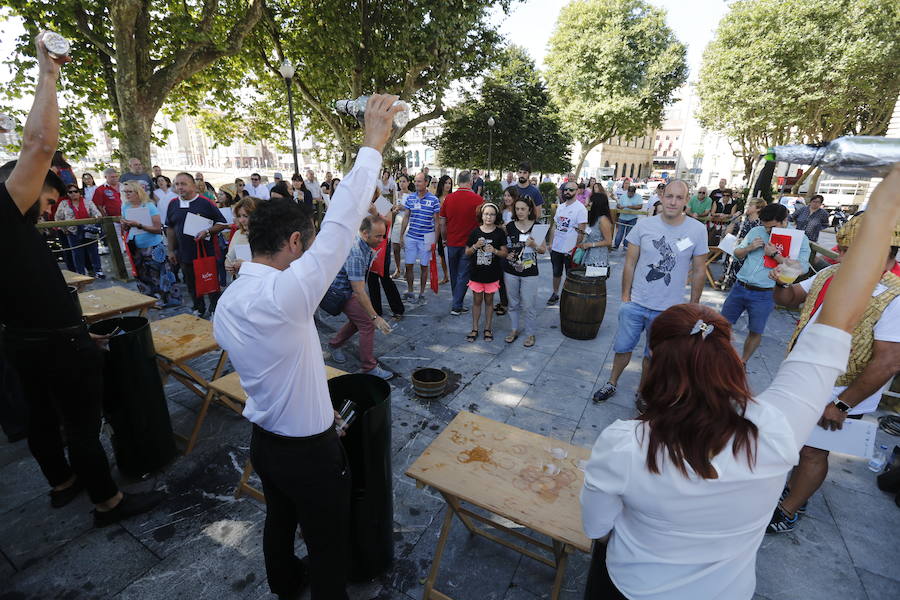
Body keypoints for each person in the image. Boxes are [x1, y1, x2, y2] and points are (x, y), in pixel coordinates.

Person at [579, 166, 900, 600]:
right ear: (731, 360)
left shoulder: (624, 444)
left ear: (657, 369)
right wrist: (884, 208)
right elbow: (839, 322)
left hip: (629, 586)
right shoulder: (777, 429)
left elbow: (598, 530)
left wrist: (885, 202)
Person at [212, 95, 401, 600]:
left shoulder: (228, 303)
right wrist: (371, 146)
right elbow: (341, 225)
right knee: (328, 544)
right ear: (295, 242)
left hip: (266, 443)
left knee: (278, 520)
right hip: (309, 453)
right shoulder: (285, 296)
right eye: (307, 244)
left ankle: (283, 584)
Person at [0, 31, 162, 527]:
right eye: (50, 193)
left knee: (43, 420)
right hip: (54, 346)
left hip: (25, 342)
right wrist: (49, 74)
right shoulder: (7, 212)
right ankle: (107, 501)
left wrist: (73, 329)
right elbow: (40, 142)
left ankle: (62, 482)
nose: (53, 204)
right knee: (82, 426)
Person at [767, 213, 900, 534]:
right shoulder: (831, 273)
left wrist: (842, 405)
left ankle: (789, 509)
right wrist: (781, 278)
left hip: (840, 393)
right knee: (795, 444)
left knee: (814, 451)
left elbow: (888, 362)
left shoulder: (895, 296)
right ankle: (793, 491)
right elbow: (789, 299)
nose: (847, 257)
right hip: (802, 379)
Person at [593, 180, 708, 404]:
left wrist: (693, 306)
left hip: (669, 309)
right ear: (662, 196)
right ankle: (611, 382)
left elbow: (700, 270)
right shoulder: (644, 226)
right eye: (669, 196)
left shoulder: (697, 230)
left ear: (686, 200)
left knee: (652, 355)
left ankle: (642, 392)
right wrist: (626, 297)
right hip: (636, 303)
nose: (673, 202)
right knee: (622, 348)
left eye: (679, 197)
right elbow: (630, 262)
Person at [721, 203, 810, 365]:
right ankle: (720, 358)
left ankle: (743, 362)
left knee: (755, 330)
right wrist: (749, 247)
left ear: (785, 221)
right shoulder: (757, 231)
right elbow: (737, 253)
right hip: (741, 286)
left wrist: (776, 255)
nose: (768, 231)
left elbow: (801, 268)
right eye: (766, 227)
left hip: (765, 292)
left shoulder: (799, 239)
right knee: (722, 324)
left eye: (772, 227)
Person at [326, 215, 395, 380]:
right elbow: (358, 290)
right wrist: (375, 317)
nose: (382, 239)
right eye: (378, 236)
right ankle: (369, 367)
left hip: (348, 289)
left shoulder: (364, 243)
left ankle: (334, 345)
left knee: (358, 321)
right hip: (341, 291)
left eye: (383, 235)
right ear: (365, 234)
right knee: (368, 324)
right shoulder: (356, 251)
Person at [165, 172, 228, 318]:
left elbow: (222, 223)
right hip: (184, 252)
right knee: (191, 283)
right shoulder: (173, 204)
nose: (180, 187)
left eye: (184, 184)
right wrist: (170, 250)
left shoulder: (205, 202)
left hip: (205, 251)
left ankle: (214, 310)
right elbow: (170, 227)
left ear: (193, 185)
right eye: (177, 184)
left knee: (210, 282)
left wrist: (207, 231)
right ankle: (198, 308)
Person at [120, 181, 180, 308]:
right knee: (142, 274)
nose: (126, 194)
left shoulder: (149, 206)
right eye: (125, 192)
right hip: (135, 245)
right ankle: (151, 300)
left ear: (138, 192)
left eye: (129, 191)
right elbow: (126, 228)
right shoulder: (125, 206)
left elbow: (158, 229)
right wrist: (125, 225)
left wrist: (140, 225)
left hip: (153, 245)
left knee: (160, 273)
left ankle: (168, 300)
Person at [503, 195, 547, 347]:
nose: (520, 212)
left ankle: (530, 333)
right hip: (511, 270)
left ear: (529, 210)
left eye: (523, 209)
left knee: (528, 304)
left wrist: (534, 244)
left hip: (530, 272)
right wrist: (506, 253)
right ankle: (514, 329)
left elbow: (543, 250)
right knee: (513, 303)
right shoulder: (509, 226)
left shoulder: (538, 226)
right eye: (517, 209)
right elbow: (505, 247)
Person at [440, 170, 483, 316]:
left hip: (451, 241)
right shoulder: (478, 200)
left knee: (454, 273)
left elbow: (442, 222)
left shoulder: (449, 199)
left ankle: (456, 301)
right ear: (471, 181)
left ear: (458, 181)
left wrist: (444, 238)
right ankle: (456, 305)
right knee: (463, 275)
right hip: (469, 244)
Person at [464, 203, 508, 342]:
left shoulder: (499, 233)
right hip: (476, 273)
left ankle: (488, 328)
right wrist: (476, 246)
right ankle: (475, 328)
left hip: (492, 274)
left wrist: (494, 251)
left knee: (489, 302)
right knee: (477, 301)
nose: (489, 217)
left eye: (492, 214)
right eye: (486, 214)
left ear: (496, 216)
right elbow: (467, 252)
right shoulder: (475, 232)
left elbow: (505, 253)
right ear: (481, 215)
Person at [399, 171, 440, 303]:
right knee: (409, 265)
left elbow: (437, 222)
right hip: (411, 236)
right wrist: (401, 235)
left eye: (419, 181)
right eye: (415, 181)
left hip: (427, 238)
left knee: (424, 267)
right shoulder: (410, 198)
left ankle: (422, 293)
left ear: (426, 183)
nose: (416, 184)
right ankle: (410, 291)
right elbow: (406, 217)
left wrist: (435, 241)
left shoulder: (433, 200)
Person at [546, 182, 588, 305]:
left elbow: (581, 231)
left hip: (570, 249)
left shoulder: (581, 209)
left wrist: (574, 248)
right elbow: (554, 226)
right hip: (557, 247)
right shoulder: (560, 207)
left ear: (577, 191)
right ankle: (555, 293)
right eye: (566, 189)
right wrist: (550, 243)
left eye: (571, 189)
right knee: (556, 272)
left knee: (570, 274)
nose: (568, 192)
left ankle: (568, 296)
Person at [365, 192, 405, 320]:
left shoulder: (382, 202)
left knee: (384, 277)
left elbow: (389, 222)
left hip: (381, 245)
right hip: (367, 244)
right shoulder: (361, 202)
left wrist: (376, 213)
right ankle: (376, 310)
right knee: (371, 279)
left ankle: (398, 308)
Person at [55, 184, 104, 277]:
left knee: (93, 252)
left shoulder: (87, 202)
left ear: (79, 192)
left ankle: (98, 271)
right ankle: (80, 273)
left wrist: (97, 218)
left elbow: (96, 213)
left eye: (75, 191)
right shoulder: (63, 204)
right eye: (70, 192)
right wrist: (63, 229)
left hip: (89, 230)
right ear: (67, 194)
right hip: (73, 232)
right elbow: (58, 218)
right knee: (77, 253)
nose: (73, 194)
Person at [717, 198, 766, 290]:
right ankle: (727, 277)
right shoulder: (743, 221)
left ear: (758, 209)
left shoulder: (761, 224)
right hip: (736, 250)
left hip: (750, 252)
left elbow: (759, 241)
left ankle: (733, 279)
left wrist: (743, 241)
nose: (746, 207)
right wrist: (734, 220)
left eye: (750, 205)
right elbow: (727, 233)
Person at [578, 191, 613, 269]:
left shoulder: (603, 220)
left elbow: (608, 241)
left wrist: (590, 244)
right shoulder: (595, 218)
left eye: (591, 202)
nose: (589, 204)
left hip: (598, 258)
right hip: (589, 255)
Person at [224, 196, 256, 278]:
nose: (241, 220)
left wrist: (245, 265)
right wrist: (228, 264)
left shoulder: (268, 236)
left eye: (245, 216)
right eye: (239, 216)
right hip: (241, 281)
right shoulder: (238, 233)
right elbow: (229, 257)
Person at [389, 174, 409, 279]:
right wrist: (395, 210)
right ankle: (398, 269)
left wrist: (404, 208)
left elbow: (414, 210)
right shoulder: (396, 194)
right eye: (400, 181)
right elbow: (392, 209)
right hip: (397, 221)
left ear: (408, 183)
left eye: (404, 181)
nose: (402, 183)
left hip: (407, 223)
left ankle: (407, 269)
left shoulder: (412, 195)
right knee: (396, 247)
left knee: (407, 247)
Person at [434, 174, 452, 285]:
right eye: (446, 183)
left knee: (452, 253)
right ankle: (446, 276)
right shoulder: (436, 198)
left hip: (451, 229)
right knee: (442, 253)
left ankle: (453, 274)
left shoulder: (453, 197)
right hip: (440, 229)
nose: (448, 185)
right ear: (442, 184)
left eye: (450, 183)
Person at [612, 185, 642, 250]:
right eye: (629, 193)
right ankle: (616, 245)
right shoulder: (623, 196)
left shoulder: (638, 197)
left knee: (629, 233)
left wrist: (628, 207)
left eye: (631, 193)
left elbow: (640, 206)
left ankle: (626, 246)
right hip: (622, 217)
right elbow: (618, 204)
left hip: (632, 218)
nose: (630, 194)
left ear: (634, 193)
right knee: (620, 232)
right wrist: (619, 206)